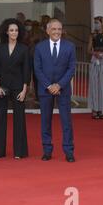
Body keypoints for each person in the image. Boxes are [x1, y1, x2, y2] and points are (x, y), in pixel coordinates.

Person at [34, 18, 76, 162]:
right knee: (45, 121)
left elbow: (71, 68)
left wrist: (59, 85)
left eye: (59, 29)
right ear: (47, 31)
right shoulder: (39, 47)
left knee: (66, 121)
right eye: (54, 29)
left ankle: (69, 151)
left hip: (63, 89)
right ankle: (47, 150)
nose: (57, 32)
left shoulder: (69, 46)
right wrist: (49, 86)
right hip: (45, 90)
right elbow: (37, 69)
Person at [0, 18, 31, 159]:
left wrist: (24, 90)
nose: (14, 32)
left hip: (18, 87)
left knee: (19, 119)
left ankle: (20, 152)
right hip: (1, 87)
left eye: (16, 30)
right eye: (11, 30)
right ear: (6, 32)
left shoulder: (24, 49)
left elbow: (27, 70)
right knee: (0, 118)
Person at [88, 16, 103, 119]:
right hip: (94, 60)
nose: (95, 25)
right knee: (94, 85)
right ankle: (94, 109)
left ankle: (102, 110)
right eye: (95, 23)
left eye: (97, 22)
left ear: (102, 24)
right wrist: (95, 53)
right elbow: (88, 50)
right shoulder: (92, 35)